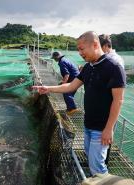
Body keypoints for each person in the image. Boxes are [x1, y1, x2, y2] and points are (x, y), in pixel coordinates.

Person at [33, 31, 126, 182]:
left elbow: (118, 101)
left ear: (95, 45)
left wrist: (108, 129)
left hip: (101, 128)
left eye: (82, 49)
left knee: (98, 169)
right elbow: (71, 86)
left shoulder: (114, 67)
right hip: (88, 124)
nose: (79, 52)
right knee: (91, 161)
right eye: (78, 49)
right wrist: (48, 88)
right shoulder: (89, 67)